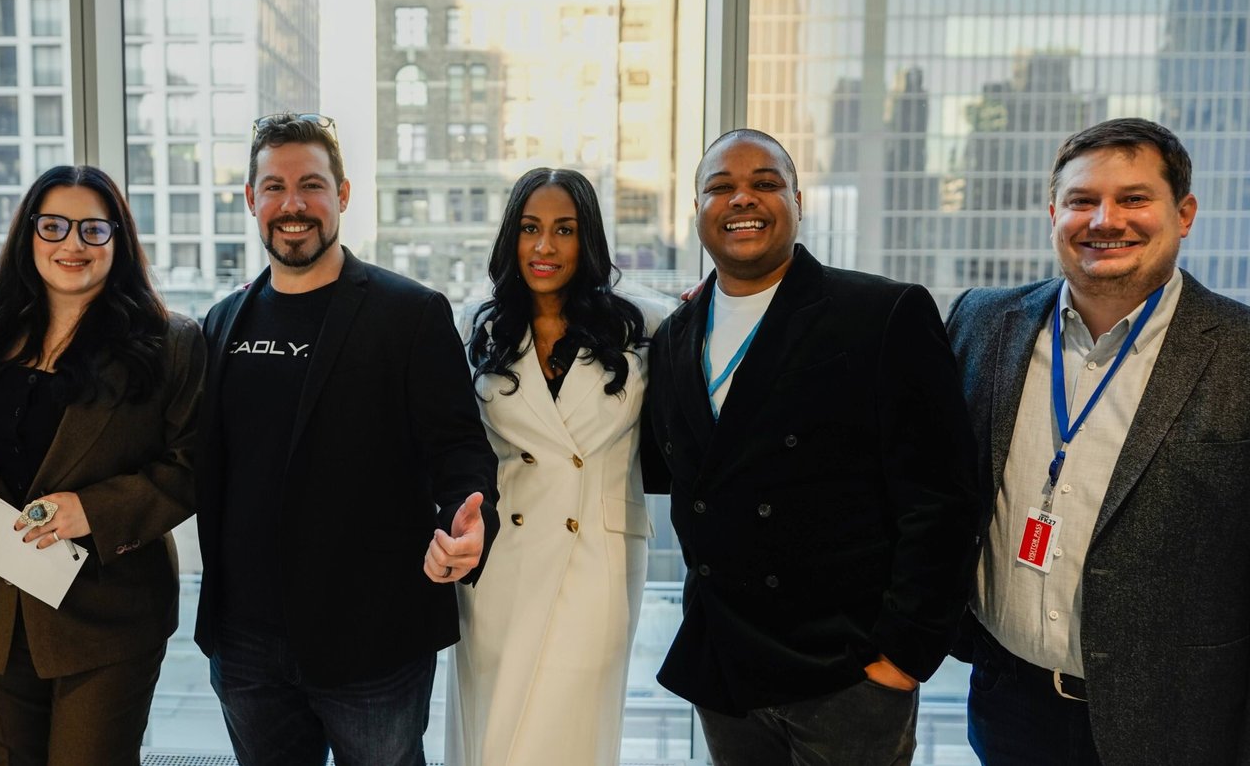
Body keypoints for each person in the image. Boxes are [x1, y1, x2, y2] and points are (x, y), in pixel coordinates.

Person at [640, 128, 979, 765]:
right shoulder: (676, 334)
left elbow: (942, 498)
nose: (742, 199)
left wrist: (903, 654)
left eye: (764, 184)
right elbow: (678, 476)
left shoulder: (881, 312)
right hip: (726, 664)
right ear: (698, 212)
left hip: (846, 673)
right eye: (720, 188)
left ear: (799, 200)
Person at [194, 113, 499, 766]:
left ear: (343, 194)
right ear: (251, 199)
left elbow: (459, 449)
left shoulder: (410, 314)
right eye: (273, 186)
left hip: (373, 640)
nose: (293, 203)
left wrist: (468, 521)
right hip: (246, 644)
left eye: (312, 184)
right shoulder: (220, 322)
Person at [947, 118, 1250, 765]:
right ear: (1054, 211)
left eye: (1134, 198)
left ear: (1185, 212)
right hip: (1007, 702)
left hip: (1177, 720)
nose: (1105, 219)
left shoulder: (1239, 352)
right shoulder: (982, 321)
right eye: (1083, 200)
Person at [0, 165, 205, 766]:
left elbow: (193, 466)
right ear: (28, 236)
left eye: (92, 229)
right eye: (53, 226)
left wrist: (95, 509)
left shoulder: (171, 343)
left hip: (105, 616)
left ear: (119, 239)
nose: (72, 244)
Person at [445, 168, 667, 766]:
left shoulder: (643, 325)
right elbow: (449, 445)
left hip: (597, 561)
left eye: (564, 230)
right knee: (493, 734)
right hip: (499, 566)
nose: (544, 247)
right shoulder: (475, 325)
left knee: (572, 738)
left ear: (587, 239)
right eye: (530, 228)